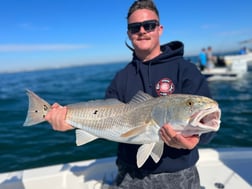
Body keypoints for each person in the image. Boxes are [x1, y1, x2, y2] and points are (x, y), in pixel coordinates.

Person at [45, 0, 216, 188]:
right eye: (135, 27)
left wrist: (193, 140)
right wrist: (66, 120)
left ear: (160, 29)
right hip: (129, 175)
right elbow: (104, 118)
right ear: (129, 33)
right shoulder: (121, 78)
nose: (142, 30)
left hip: (179, 175)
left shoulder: (186, 70)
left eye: (149, 25)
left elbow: (208, 127)